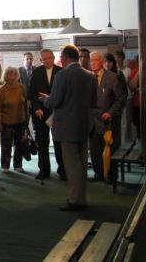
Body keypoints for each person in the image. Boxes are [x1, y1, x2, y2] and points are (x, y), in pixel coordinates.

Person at [40, 44, 97, 211]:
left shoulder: (62, 75)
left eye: (60, 58)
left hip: (66, 127)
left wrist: (46, 99)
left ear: (64, 58)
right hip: (84, 125)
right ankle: (81, 198)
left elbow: (54, 101)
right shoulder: (90, 76)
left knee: (72, 166)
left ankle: (76, 200)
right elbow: (93, 102)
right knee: (81, 164)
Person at [88, 51, 126, 182]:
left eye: (95, 60)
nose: (92, 63)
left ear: (102, 61)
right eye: (91, 60)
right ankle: (99, 173)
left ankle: (111, 175)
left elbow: (121, 98)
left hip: (107, 120)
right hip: (91, 120)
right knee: (94, 150)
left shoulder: (112, 77)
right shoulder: (88, 77)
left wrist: (110, 112)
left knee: (109, 149)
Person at [29, 49, 65, 180]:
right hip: (41, 112)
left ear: (54, 58)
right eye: (44, 59)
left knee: (59, 143)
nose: (47, 60)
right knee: (42, 143)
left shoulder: (61, 72)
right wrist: (37, 109)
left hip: (57, 112)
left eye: (50, 58)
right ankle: (44, 170)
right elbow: (32, 94)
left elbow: (64, 94)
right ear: (41, 60)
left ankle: (63, 170)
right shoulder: (36, 72)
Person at [0, 66, 29, 174]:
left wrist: (27, 119)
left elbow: (25, 104)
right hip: (6, 122)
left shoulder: (21, 87)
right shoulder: (2, 90)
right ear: (6, 76)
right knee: (6, 145)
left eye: (14, 75)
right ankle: (5, 165)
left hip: (20, 121)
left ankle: (18, 165)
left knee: (19, 144)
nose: (13, 77)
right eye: (10, 75)